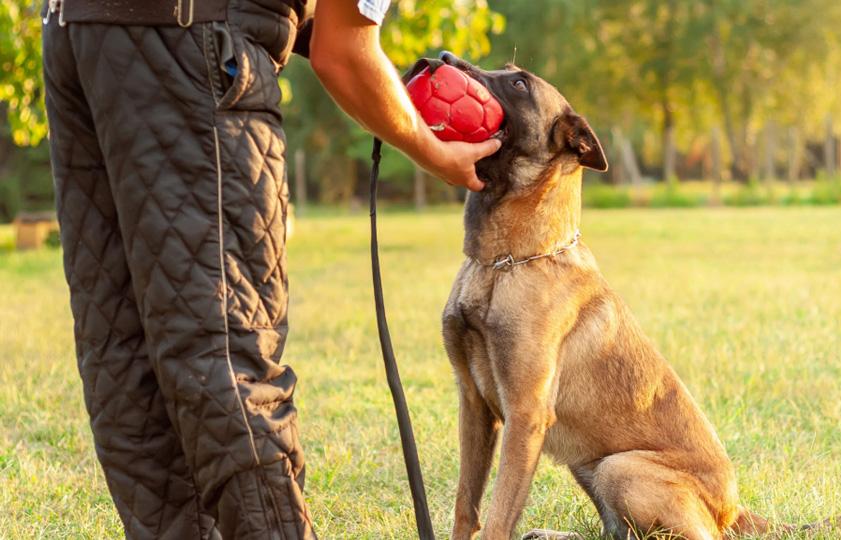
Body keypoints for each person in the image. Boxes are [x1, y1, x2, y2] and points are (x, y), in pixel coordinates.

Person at [41, 0, 500, 538]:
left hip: (77, 31)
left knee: (124, 354)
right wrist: (431, 150)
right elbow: (344, 54)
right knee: (227, 358)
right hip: (191, 36)